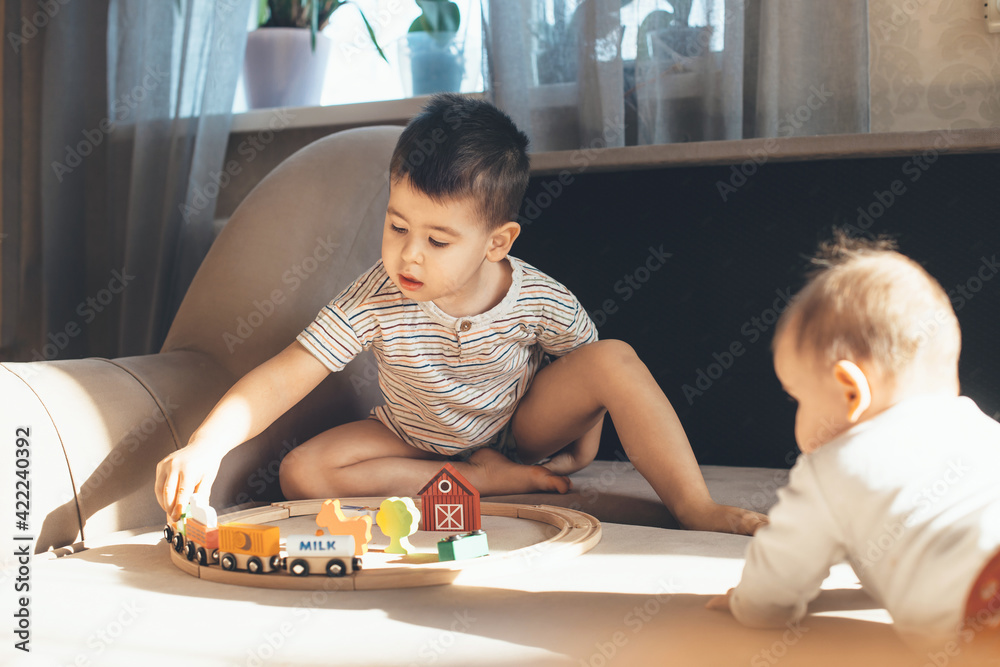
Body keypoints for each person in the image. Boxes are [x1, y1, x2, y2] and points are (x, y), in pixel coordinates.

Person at [154, 94, 765, 537]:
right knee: (302, 472)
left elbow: (590, 368)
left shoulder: (538, 298)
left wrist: (582, 448)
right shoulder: (375, 296)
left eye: (438, 240)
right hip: (410, 436)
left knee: (615, 357)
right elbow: (288, 372)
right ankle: (478, 480)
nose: (409, 255)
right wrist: (206, 447)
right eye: (397, 226)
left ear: (497, 243)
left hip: (518, 429)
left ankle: (694, 505)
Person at [707, 232, 1000, 654]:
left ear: (850, 391)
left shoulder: (832, 467)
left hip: (983, 603)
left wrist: (749, 605)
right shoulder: (979, 428)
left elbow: (780, 576)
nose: (796, 413)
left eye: (796, 398)